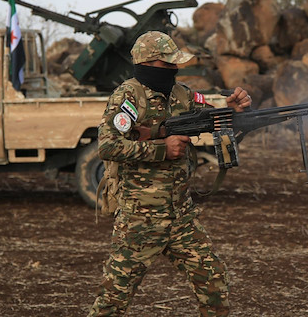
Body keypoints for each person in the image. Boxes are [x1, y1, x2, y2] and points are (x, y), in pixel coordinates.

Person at [88, 31, 251, 316]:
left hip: (181, 217)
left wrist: (232, 109)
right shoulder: (128, 96)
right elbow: (108, 146)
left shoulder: (182, 94)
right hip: (140, 219)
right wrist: (161, 149)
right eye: (168, 65)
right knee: (113, 301)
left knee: (213, 281)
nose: (175, 69)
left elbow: (213, 118)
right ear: (147, 65)